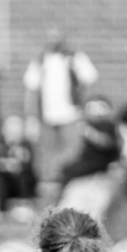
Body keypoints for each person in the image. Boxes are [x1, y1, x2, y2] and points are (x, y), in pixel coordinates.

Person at [23, 29, 99, 180]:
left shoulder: (75, 58)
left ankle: (70, 179)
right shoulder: (40, 60)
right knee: (48, 153)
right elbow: (31, 90)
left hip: (71, 113)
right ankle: (51, 183)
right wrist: (30, 116)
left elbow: (89, 80)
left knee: (72, 150)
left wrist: (83, 107)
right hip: (46, 115)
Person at [0, 115, 39, 223]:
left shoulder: (26, 145)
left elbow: (26, 164)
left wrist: (10, 164)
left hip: (20, 182)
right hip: (4, 182)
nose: (14, 134)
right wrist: (10, 165)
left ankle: (25, 206)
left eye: (17, 131)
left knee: (25, 176)